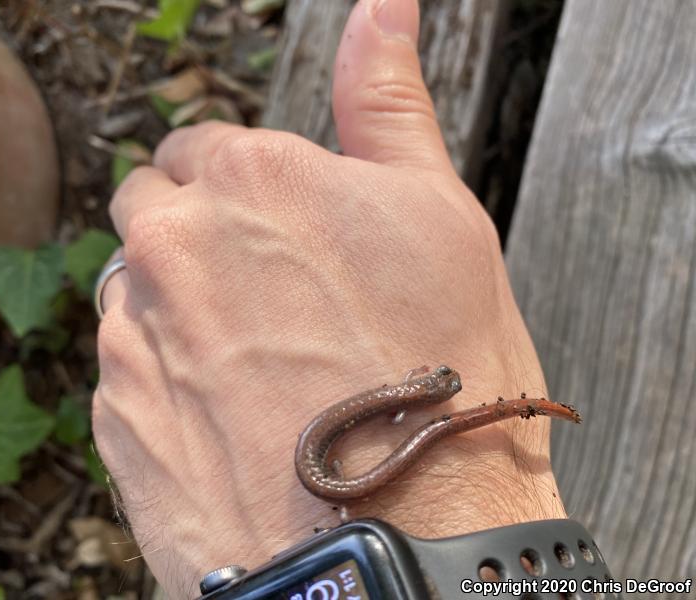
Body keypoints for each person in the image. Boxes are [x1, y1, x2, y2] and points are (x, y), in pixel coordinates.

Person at [93, 0, 564, 597]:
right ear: (413, 394)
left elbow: (394, 407)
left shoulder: (401, 403)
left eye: (436, 387)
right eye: (437, 383)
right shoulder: (398, 407)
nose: (440, 385)